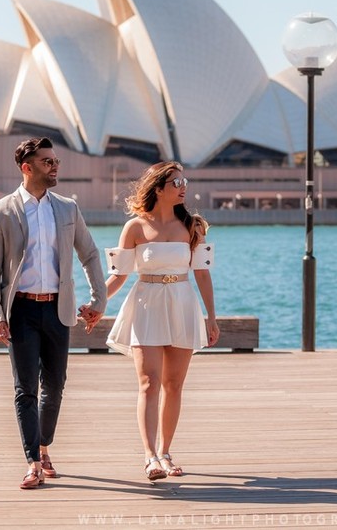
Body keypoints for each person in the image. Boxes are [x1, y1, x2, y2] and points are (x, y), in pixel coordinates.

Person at [80, 161, 219, 481]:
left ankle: (166, 451)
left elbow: (202, 274)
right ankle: (150, 456)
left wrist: (211, 317)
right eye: (176, 182)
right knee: (148, 382)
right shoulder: (135, 227)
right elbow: (119, 275)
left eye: (185, 181)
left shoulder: (193, 226)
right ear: (158, 189)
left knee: (174, 384)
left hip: (182, 303)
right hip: (145, 304)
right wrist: (97, 304)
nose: (183, 186)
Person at [0, 137, 107, 490]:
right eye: (47, 161)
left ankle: (44, 445)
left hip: (58, 308)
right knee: (25, 389)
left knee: (55, 385)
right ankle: (33, 462)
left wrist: (99, 300)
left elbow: (91, 255)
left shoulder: (67, 208)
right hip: (19, 309)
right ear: (27, 167)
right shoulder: (0, 211)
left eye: (56, 161)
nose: (55, 167)